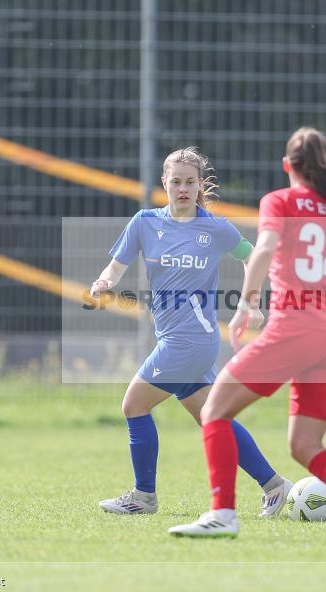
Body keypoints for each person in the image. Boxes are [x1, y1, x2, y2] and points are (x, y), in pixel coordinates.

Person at [168, 128, 326, 542]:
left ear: (287, 166)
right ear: (325, 166)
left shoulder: (280, 200)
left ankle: (222, 514)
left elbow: (263, 250)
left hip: (295, 325)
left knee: (215, 411)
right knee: (305, 446)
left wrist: (246, 303)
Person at [92, 147, 292, 516]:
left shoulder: (214, 227)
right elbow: (115, 268)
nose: (182, 188)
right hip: (174, 337)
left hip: (192, 340)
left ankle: (143, 497)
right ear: (164, 184)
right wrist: (103, 282)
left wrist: (251, 302)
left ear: (200, 185)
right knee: (212, 418)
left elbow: (254, 256)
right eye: (176, 182)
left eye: (190, 182)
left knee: (133, 405)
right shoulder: (144, 222)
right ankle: (275, 486)